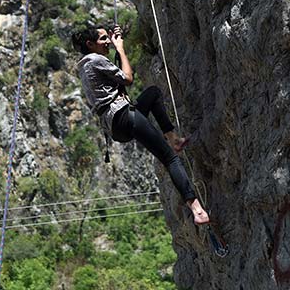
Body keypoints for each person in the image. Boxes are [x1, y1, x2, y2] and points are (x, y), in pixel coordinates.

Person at [71, 25, 210, 225]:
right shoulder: (96, 60)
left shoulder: (84, 66)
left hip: (116, 127)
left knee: (152, 93)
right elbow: (128, 78)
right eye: (103, 39)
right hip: (123, 115)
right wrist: (120, 49)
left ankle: (174, 139)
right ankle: (197, 210)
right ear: (90, 44)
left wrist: (114, 38)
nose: (107, 42)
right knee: (170, 159)